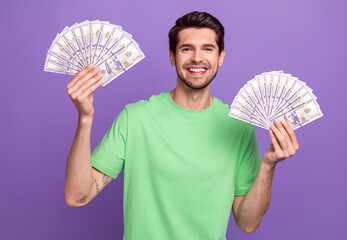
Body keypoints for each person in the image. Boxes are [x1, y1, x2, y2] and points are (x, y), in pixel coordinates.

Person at [64, 11, 299, 239]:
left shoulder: (238, 126)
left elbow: (247, 224)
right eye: (187, 49)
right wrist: (85, 118)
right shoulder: (135, 118)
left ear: (221, 57)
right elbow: (77, 196)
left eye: (208, 48)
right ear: (172, 57)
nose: (197, 58)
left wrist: (268, 165)